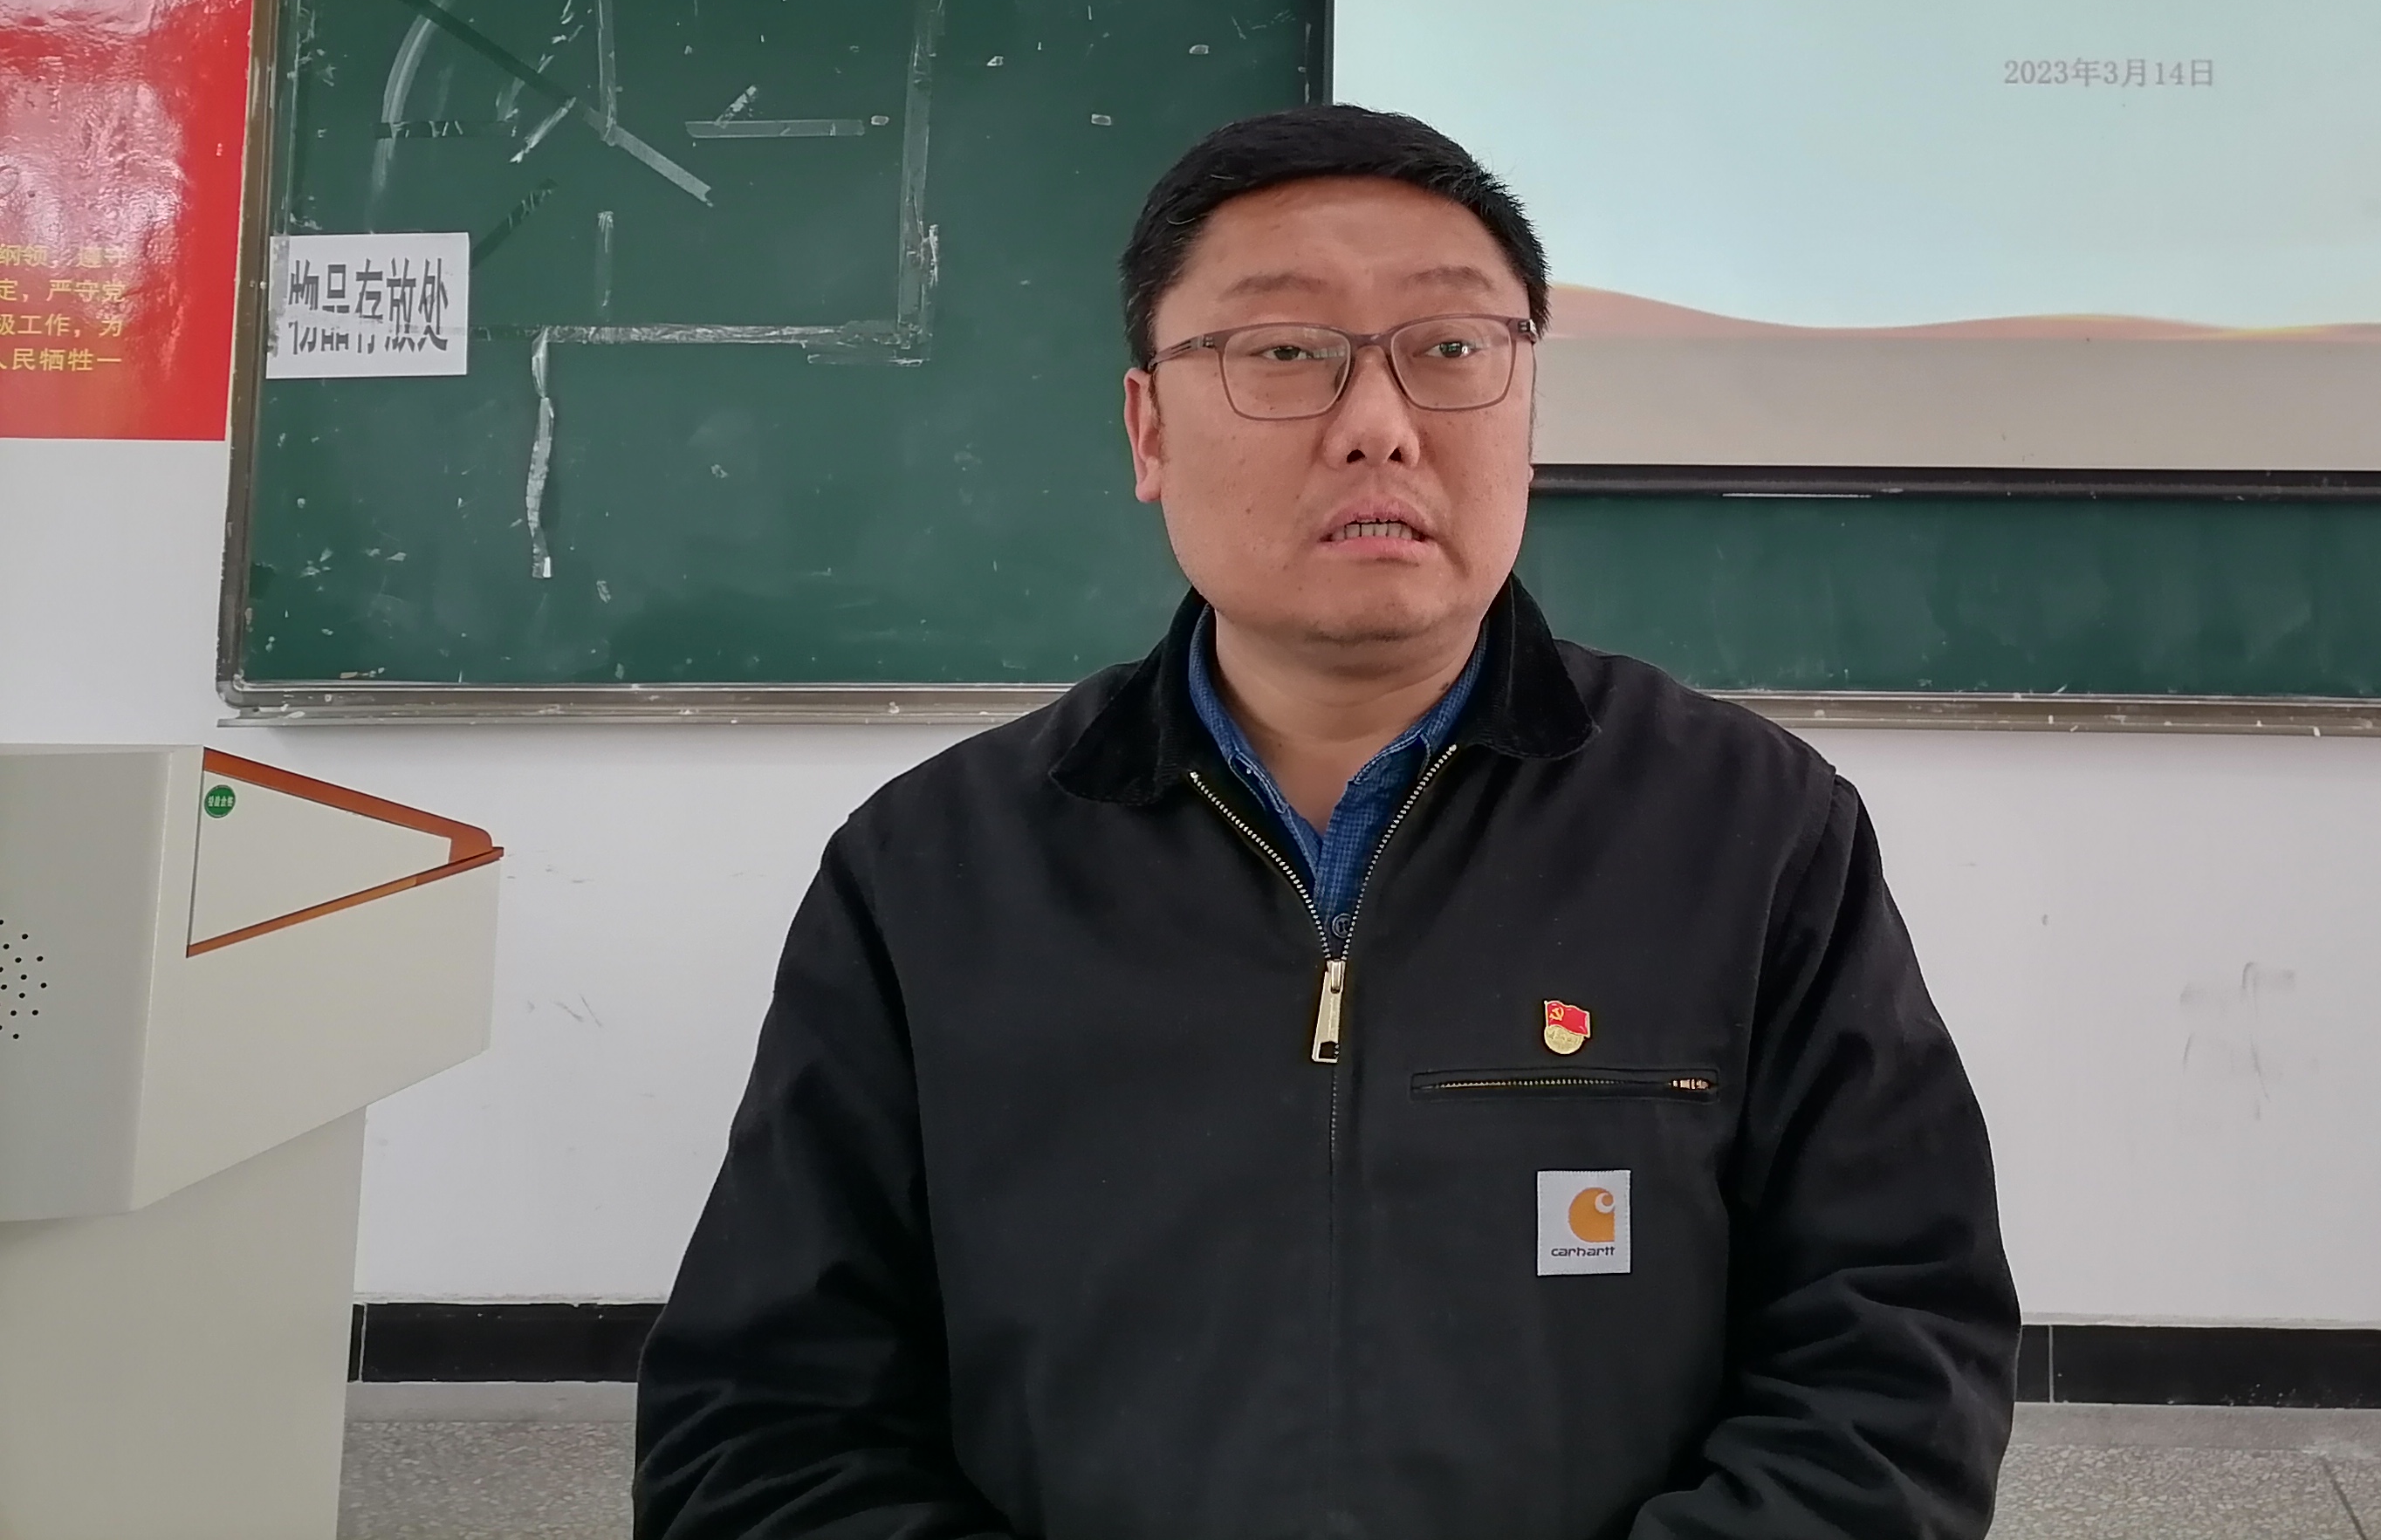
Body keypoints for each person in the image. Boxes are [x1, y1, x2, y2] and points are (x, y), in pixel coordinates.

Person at [635, 105, 2015, 1540]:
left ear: (1528, 412)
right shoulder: (932, 873)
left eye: (1452, 349)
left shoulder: (1749, 832)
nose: (1377, 427)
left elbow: (1895, 1362)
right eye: (1286, 352)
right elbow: (763, 1431)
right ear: (1149, 429)